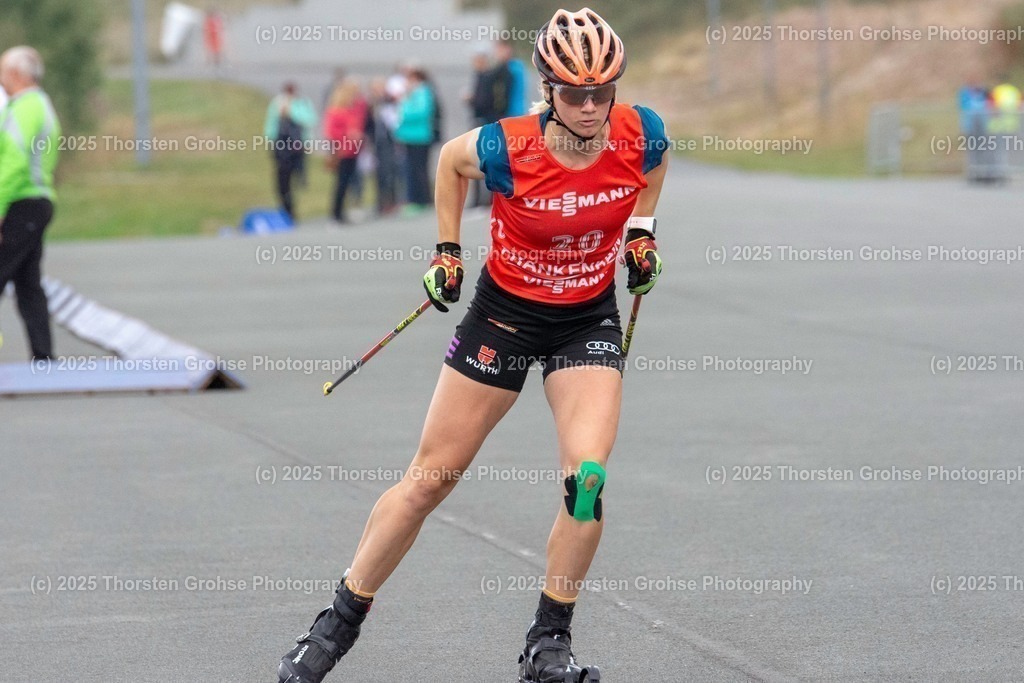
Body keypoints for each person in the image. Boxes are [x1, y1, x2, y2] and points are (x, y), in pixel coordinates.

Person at [276, 7, 669, 683]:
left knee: (588, 481)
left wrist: (641, 233)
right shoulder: (504, 148)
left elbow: (652, 170)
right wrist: (448, 251)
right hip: (505, 316)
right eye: (574, 91)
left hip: (585, 320)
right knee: (430, 479)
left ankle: (548, 644)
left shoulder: (642, 133)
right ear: (548, 88)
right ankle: (334, 624)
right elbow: (449, 167)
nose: (590, 105)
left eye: (603, 91)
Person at [0, 46, 61, 362]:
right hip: (34, 203)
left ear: (15, 74)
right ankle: (44, 359)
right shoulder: (36, 105)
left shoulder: (26, 108)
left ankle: (44, 358)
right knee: (27, 286)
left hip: (21, 203)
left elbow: (14, 163)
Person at [263, 82, 316, 220]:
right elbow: (270, 125)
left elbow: (310, 120)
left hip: (297, 147)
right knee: (282, 179)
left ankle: (291, 206)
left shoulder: (302, 103)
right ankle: (287, 208)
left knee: (297, 177)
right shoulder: (276, 103)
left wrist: (290, 112)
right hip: (281, 146)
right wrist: (270, 142)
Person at [323, 79, 367, 224]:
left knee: (348, 182)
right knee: (340, 183)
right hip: (342, 151)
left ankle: (342, 211)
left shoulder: (351, 111)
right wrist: (347, 135)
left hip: (352, 151)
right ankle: (336, 213)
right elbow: (331, 132)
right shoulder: (335, 112)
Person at [394, 67, 437, 215]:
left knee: (419, 170)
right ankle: (415, 199)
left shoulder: (423, 92)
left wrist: (404, 109)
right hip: (409, 136)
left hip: (419, 137)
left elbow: (419, 112)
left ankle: (422, 200)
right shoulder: (413, 93)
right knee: (411, 170)